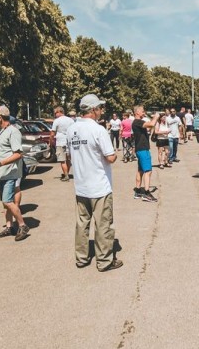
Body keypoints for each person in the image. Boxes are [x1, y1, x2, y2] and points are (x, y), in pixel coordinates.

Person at [68, 94, 122, 272]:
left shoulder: (72, 129)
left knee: (82, 224)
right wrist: (113, 154)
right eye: (99, 107)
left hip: (81, 185)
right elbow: (110, 157)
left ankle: (81, 258)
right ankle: (104, 260)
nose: (101, 110)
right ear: (93, 110)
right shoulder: (98, 130)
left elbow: (70, 155)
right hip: (99, 186)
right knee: (103, 224)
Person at [0, 105, 29, 241]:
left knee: (8, 201)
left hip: (9, 173)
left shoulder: (13, 131)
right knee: (5, 203)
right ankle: (9, 227)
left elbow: (18, 154)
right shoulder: (2, 131)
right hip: (1, 173)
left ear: (0, 117)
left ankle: (22, 225)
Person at [131, 105, 159, 202]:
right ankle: (146, 193)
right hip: (143, 149)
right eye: (142, 111)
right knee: (148, 171)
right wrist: (156, 117)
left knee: (141, 170)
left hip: (140, 148)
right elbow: (151, 124)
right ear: (137, 112)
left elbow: (150, 126)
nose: (144, 112)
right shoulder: (138, 122)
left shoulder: (136, 122)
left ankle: (138, 191)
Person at [50, 106, 75, 181]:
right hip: (69, 141)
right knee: (68, 159)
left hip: (60, 141)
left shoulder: (57, 121)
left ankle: (66, 175)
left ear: (59, 112)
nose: (55, 115)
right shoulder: (70, 120)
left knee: (62, 160)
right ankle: (66, 172)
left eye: (55, 113)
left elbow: (52, 133)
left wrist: (51, 141)